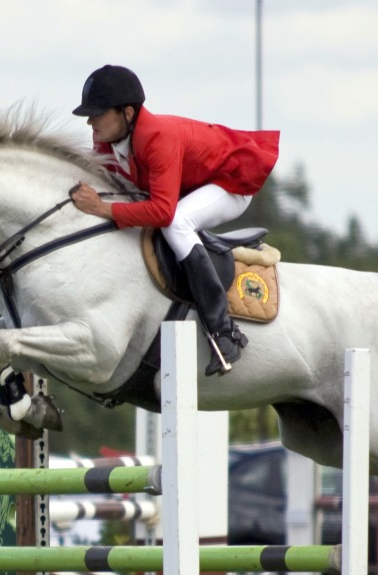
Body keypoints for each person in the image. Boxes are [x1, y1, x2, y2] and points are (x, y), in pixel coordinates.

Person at [69, 64, 279, 376]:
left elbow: (162, 211)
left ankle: (224, 333)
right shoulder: (106, 142)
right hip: (189, 185)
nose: (90, 121)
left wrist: (102, 209)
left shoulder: (157, 138)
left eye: (98, 112)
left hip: (229, 182)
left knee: (177, 222)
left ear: (127, 113)